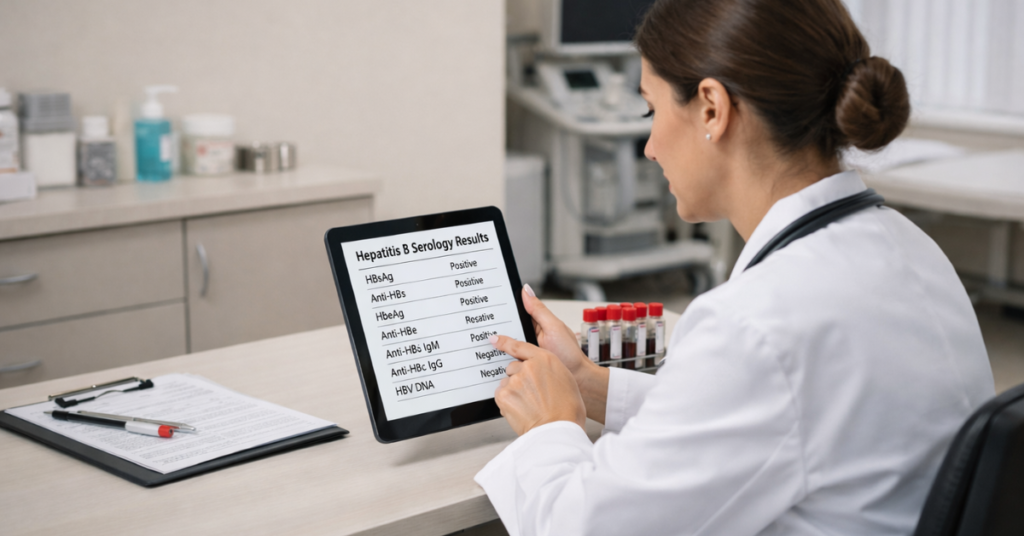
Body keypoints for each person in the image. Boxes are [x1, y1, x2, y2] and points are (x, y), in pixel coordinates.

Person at [475, 0, 995, 534]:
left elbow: (582, 527)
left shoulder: (755, 324)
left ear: (711, 109)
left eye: (651, 111)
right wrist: (588, 385)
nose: (650, 148)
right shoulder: (911, 247)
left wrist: (551, 427)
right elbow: (767, 416)